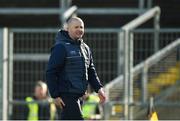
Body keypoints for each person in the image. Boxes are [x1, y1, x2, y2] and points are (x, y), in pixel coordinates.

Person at [46, 17, 106, 120]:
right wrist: (55, 95)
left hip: (80, 96)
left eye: (81, 27)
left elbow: (91, 71)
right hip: (67, 96)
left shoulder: (86, 48)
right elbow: (51, 72)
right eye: (76, 27)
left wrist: (99, 89)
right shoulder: (61, 47)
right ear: (68, 29)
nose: (79, 29)